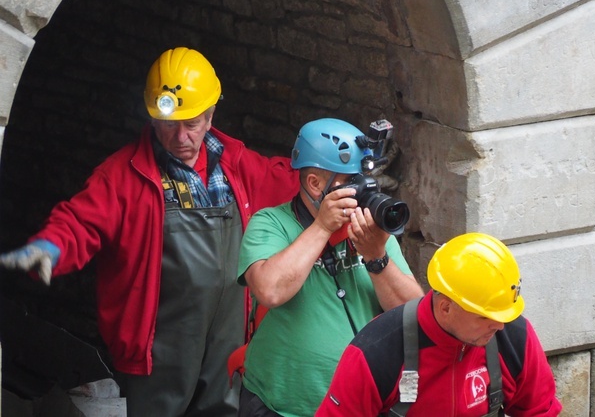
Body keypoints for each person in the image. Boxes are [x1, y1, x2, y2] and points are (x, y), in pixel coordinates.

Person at [0, 47, 299, 417]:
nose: (180, 136)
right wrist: (51, 247)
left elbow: (288, 181)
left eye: (191, 124)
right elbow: (80, 221)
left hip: (228, 335)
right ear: (153, 118)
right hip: (158, 345)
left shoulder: (236, 164)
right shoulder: (124, 175)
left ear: (210, 117)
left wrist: (334, 177)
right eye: (169, 123)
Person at [237, 117, 424, 417]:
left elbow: (414, 314)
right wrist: (323, 225)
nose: (362, 191)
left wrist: (377, 257)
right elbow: (270, 290)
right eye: (352, 183)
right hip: (283, 406)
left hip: (361, 404)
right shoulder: (269, 223)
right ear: (314, 184)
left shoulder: (370, 230)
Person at [316, 232, 563, 416]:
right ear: (446, 306)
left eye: (503, 314)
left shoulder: (514, 336)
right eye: (485, 315)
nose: (499, 325)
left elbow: (542, 410)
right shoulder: (376, 352)